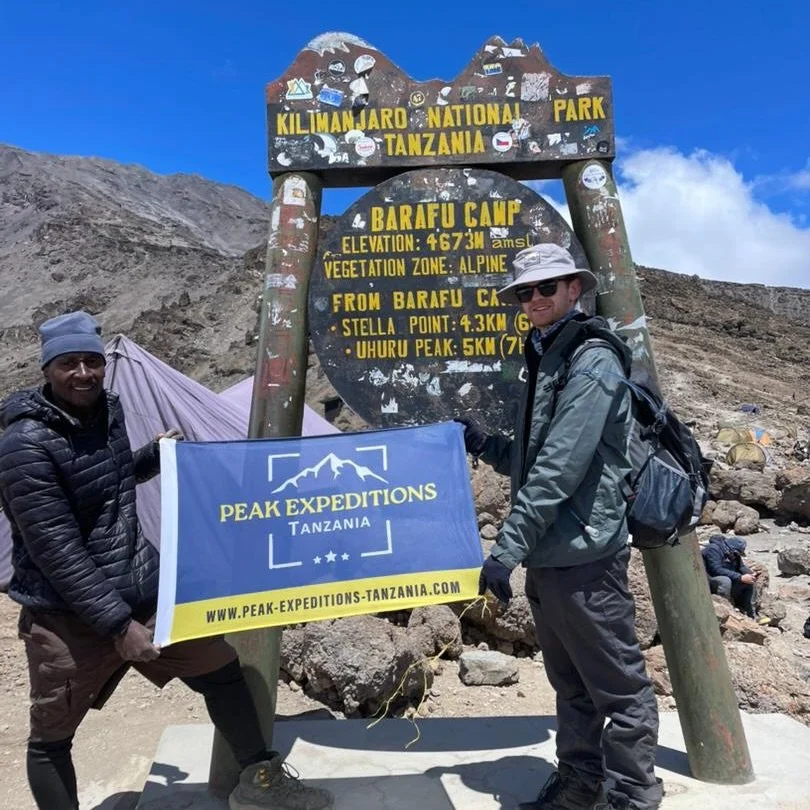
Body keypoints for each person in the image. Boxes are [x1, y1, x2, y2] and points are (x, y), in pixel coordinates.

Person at [0, 311, 332, 810]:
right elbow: (55, 548)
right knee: (52, 737)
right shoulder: (25, 445)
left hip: (143, 591)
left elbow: (104, 485)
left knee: (222, 672)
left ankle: (261, 782)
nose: (85, 373)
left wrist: (151, 457)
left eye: (92, 360)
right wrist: (117, 625)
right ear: (47, 369)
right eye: (70, 363)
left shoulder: (105, 414)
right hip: (68, 616)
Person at [458, 244, 662, 810]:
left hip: (585, 554)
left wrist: (505, 549)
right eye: (524, 292)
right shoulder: (548, 354)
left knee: (618, 688)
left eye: (546, 288)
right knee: (570, 684)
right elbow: (534, 455)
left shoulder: (591, 359)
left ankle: (632, 796)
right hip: (551, 557)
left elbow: (561, 466)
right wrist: (483, 443)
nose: (534, 299)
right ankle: (578, 783)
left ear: (575, 289)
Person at [701, 534, 765, 623]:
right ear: (729, 548)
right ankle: (726, 610)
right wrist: (740, 577)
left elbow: (741, 567)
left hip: (728, 577)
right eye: (736, 553)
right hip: (710, 580)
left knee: (750, 582)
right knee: (725, 581)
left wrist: (750, 574)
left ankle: (751, 614)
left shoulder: (734, 554)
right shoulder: (713, 549)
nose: (736, 556)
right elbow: (716, 570)